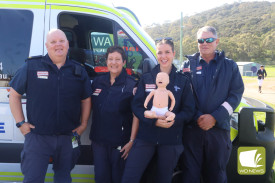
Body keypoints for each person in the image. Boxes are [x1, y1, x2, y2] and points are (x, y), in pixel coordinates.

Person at [9, 28, 92, 183]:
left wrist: (83, 124)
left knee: (64, 178)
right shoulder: (32, 67)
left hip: (68, 137)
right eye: (53, 42)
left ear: (68, 44)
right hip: (38, 137)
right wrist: (21, 123)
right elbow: (14, 94)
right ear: (47, 46)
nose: (58, 45)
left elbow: (86, 99)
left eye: (61, 41)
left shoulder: (78, 71)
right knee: (33, 179)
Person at [122, 38, 196, 183]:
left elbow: (189, 111)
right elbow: (136, 106)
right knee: (129, 177)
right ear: (156, 55)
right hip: (145, 137)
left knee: (163, 179)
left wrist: (174, 119)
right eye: (160, 52)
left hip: (171, 140)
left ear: (173, 53)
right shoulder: (146, 78)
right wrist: (153, 122)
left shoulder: (183, 81)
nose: (163, 56)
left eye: (167, 52)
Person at [181, 26, 244, 183]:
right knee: (190, 175)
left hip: (219, 131)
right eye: (201, 40)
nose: (204, 43)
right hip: (192, 131)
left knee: (216, 176)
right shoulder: (187, 66)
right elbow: (183, 96)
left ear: (217, 41)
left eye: (208, 40)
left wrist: (215, 117)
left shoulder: (230, 66)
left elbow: (235, 95)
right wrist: (198, 117)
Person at [89, 45, 139, 183]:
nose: (114, 62)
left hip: (121, 144)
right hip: (99, 142)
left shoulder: (132, 85)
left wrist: (131, 141)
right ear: (106, 61)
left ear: (124, 62)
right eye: (110, 59)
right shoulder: (98, 82)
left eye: (118, 59)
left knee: (118, 178)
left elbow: (136, 116)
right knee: (100, 178)